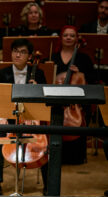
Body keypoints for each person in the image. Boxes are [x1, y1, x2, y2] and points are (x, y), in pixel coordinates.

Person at [0, 38, 47, 195]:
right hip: (8, 120)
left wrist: (38, 90)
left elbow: (45, 101)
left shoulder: (39, 74)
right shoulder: (1, 74)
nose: (18, 55)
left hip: (30, 119)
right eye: (15, 51)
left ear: (29, 56)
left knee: (46, 142)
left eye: (22, 52)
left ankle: (48, 185)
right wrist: (1, 117)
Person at [50, 25, 97, 163]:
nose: (69, 38)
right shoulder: (53, 57)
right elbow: (46, 77)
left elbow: (93, 78)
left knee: (81, 118)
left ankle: (76, 156)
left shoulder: (83, 59)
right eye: (65, 35)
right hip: (56, 100)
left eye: (72, 35)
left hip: (76, 102)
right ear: (61, 38)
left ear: (77, 39)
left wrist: (80, 72)